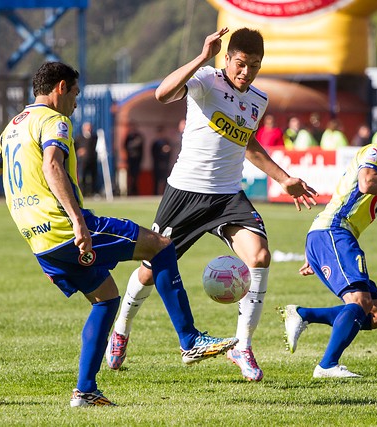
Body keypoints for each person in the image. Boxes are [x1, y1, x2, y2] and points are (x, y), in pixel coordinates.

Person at [0, 62, 238, 407]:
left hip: (39, 242)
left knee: (107, 298)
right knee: (159, 247)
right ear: (61, 87)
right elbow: (52, 165)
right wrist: (79, 222)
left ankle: (85, 390)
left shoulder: (13, 127)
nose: (77, 103)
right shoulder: (55, 121)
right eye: (77, 93)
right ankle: (189, 339)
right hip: (67, 228)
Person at [107, 27, 318, 382]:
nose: (245, 72)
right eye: (239, 63)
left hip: (228, 197)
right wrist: (202, 57)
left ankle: (243, 346)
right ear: (227, 59)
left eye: (253, 65)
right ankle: (121, 329)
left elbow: (247, 144)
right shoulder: (206, 78)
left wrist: (283, 178)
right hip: (186, 194)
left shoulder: (258, 100)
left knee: (261, 257)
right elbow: (162, 94)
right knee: (147, 270)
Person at [278, 118, 377, 378]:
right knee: (360, 301)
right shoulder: (374, 152)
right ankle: (327, 366)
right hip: (334, 232)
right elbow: (366, 184)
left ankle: (304, 314)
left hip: (331, 236)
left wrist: (315, 252)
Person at [75, 121, 98, 196]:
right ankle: (83, 193)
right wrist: (79, 151)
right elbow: (74, 148)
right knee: (82, 177)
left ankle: (92, 192)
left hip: (92, 160)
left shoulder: (94, 137)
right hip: (83, 161)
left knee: (93, 177)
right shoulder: (79, 138)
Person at [151, 125, 173, 195]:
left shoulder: (167, 142)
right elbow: (153, 154)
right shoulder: (155, 143)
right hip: (157, 163)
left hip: (165, 163)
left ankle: (165, 193)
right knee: (157, 179)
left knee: (165, 178)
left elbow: (170, 152)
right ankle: (156, 193)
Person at [124, 123, 145, 195]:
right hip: (130, 159)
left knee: (136, 176)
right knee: (130, 175)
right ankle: (130, 190)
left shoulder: (138, 136)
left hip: (137, 159)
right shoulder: (128, 137)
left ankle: (135, 191)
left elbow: (139, 146)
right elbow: (125, 146)